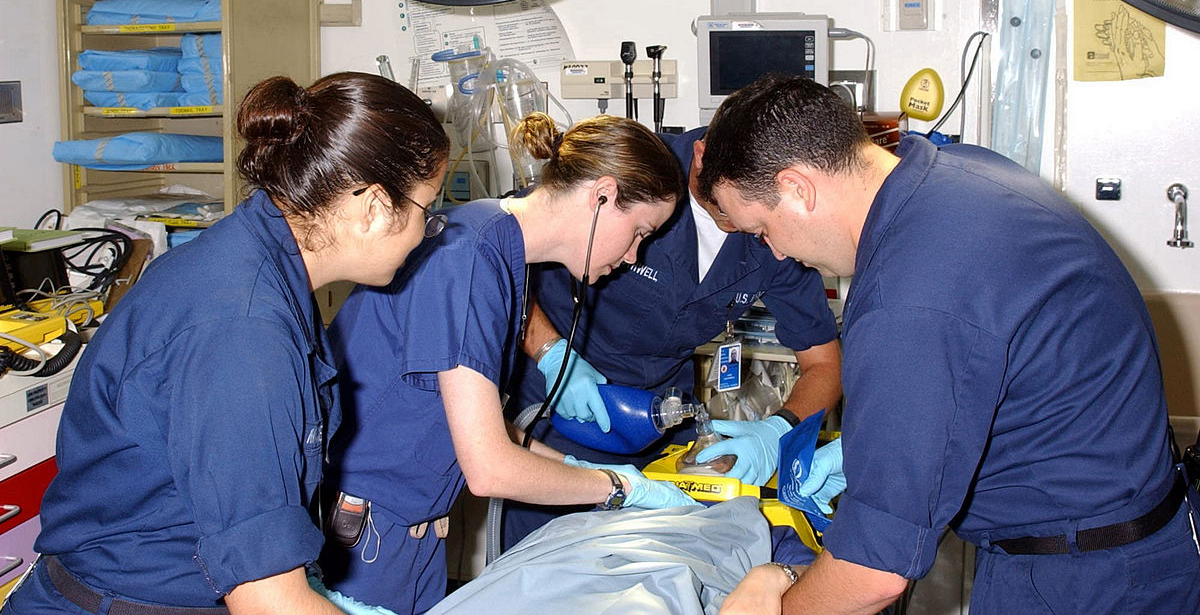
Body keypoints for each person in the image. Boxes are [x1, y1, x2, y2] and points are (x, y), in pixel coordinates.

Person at [699, 74, 1200, 614]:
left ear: (798, 188)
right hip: (1138, 527)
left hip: (1085, 579)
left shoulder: (908, 296)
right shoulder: (956, 172)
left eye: (761, 229)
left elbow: (874, 576)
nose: (773, 254)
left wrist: (781, 598)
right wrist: (867, 452)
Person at [2, 73, 450, 614]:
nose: (429, 231)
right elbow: (267, 602)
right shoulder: (245, 331)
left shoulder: (252, 255)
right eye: (427, 211)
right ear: (375, 207)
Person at [318, 112, 698, 615]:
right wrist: (618, 488)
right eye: (638, 232)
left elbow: (475, 425)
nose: (633, 256)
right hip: (365, 540)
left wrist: (576, 466)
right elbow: (489, 468)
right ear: (602, 195)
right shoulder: (469, 258)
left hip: (412, 535)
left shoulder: (498, 251)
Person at [503, 126, 841, 551]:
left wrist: (778, 431)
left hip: (661, 425)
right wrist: (552, 353)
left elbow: (824, 364)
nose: (753, 228)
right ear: (700, 158)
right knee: (547, 574)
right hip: (562, 412)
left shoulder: (770, 216)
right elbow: (507, 259)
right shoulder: (638, 175)